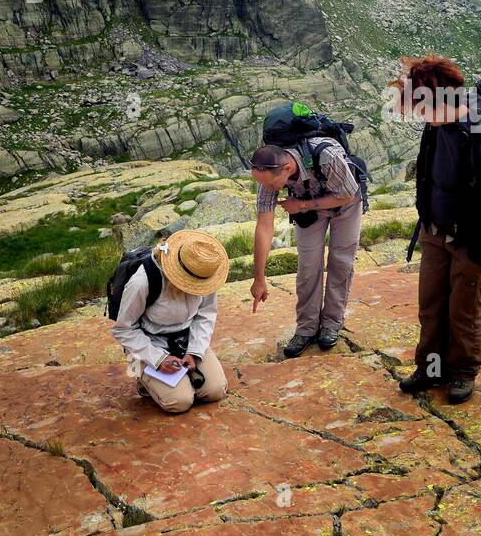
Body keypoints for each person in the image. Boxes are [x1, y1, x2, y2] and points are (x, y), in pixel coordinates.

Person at [391, 55, 481, 404]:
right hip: (435, 231)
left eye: (419, 105)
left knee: (462, 310)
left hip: (471, 241)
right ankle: (431, 369)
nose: (417, 115)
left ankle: (462, 373)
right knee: (431, 306)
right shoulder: (435, 128)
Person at [249, 139, 362, 357]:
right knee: (308, 266)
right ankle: (306, 329)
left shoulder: (327, 156)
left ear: (287, 169)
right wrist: (259, 278)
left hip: (345, 203)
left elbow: (349, 192)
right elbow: (264, 226)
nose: (269, 189)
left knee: (340, 262)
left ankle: (331, 323)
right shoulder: (268, 177)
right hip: (308, 204)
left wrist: (302, 205)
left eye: (272, 185)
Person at [111, 229, 230, 414]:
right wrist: (158, 359)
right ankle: (142, 377)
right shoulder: (143, 281)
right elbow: (124, 329)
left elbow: (205, 314)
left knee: (215, 391)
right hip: (150, 343)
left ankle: (175, 381)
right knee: (179, 401)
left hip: (186, 339)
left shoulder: (204, 272)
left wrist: (195, 352)